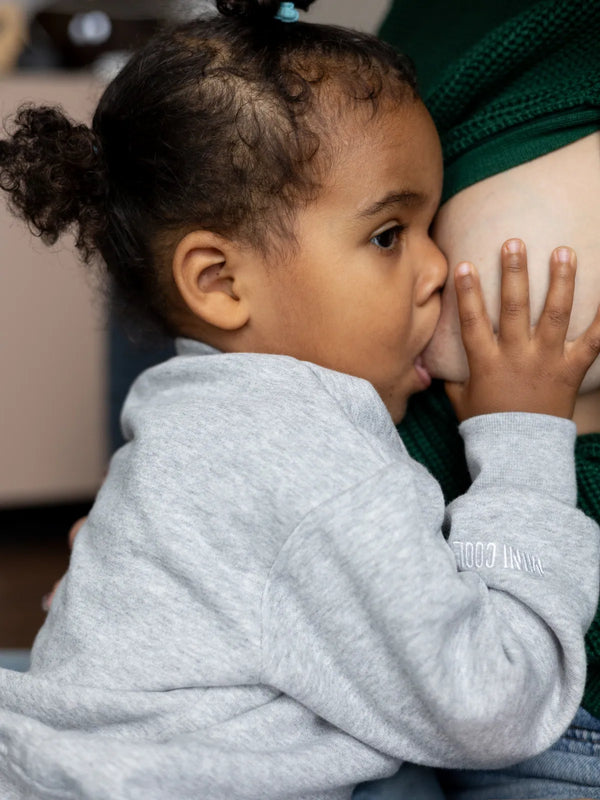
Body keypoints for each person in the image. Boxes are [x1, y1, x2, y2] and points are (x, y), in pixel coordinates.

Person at [1, 1, 600, 798]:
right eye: (389, 234)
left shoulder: (192, 410)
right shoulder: (311, 467)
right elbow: (495, 702)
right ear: (218, 282)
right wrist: (523, 432)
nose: (434, 271)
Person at [354, 0, 600, 798]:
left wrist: (524, 428)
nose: (429, 268)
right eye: (391, 234)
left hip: (555, 715)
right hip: (399, 698)